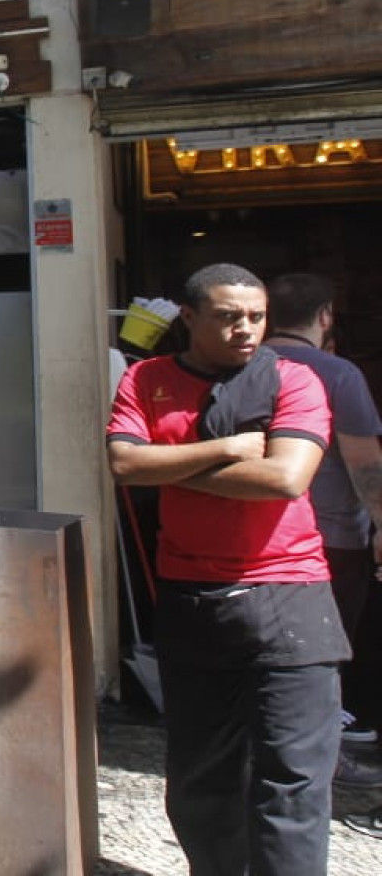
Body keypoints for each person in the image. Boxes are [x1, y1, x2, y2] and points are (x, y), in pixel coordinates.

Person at [106, 262, 344, 874]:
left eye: (257, 317)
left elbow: (286, 477)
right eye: (228, 317)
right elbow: (125, 469)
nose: (246, 329)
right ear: (189, 318)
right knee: (198, 777)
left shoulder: (294, 380)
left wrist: (172, 461)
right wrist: (228, 448)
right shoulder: (146, 377)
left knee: (292, 777)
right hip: (193, 598)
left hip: (292, 596)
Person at [263, 273, 382, 793]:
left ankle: (276, 752)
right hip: (332, 538)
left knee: (272, 654)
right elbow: (365, 465)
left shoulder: (242, 367)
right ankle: (322, 761)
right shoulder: (338, 374)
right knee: (323, 655)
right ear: (326, 315)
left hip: (261, 536)